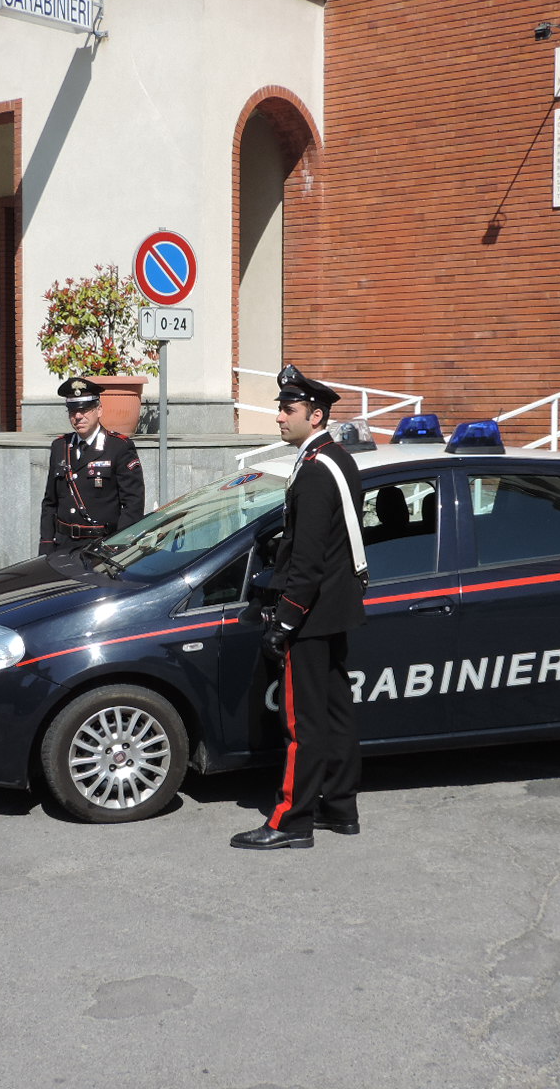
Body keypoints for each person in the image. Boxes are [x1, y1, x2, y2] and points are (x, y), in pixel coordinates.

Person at [232, 364, 368, 851]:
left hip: (309, 614)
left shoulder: (314, 472)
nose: (279, 418)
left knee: (302, 721)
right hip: (335, 607)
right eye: (281, 409)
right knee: (335, 711)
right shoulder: (336, 459)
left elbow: (308, 559)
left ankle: (291, 820)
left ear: (315, 415)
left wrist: (286, 619)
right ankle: (340, 806)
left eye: (288, 410)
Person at [38, 377, 146, 556]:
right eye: (73, 411)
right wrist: (46, 545)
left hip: (102, 547)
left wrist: (118, 546)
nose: (78, 416)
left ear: (99, 410)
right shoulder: (60, 446)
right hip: (62, 546)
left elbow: (133, 504)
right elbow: (50, 503)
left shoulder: (118, 447)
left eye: (85, 410)